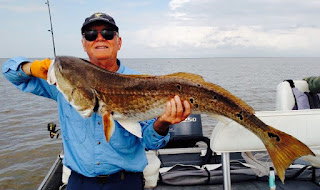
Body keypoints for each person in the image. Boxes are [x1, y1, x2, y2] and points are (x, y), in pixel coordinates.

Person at [2, 12, 191, 190]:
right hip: (79, 182)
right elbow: (10, 73)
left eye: (108, 33)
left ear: (119, 42)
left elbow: (151, 142)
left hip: (126, 182)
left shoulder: (140, 82)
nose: (99, 38)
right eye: (91, 34)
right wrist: (30, 67)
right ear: (84, 44)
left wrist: (163, 123)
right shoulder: (62, 80)